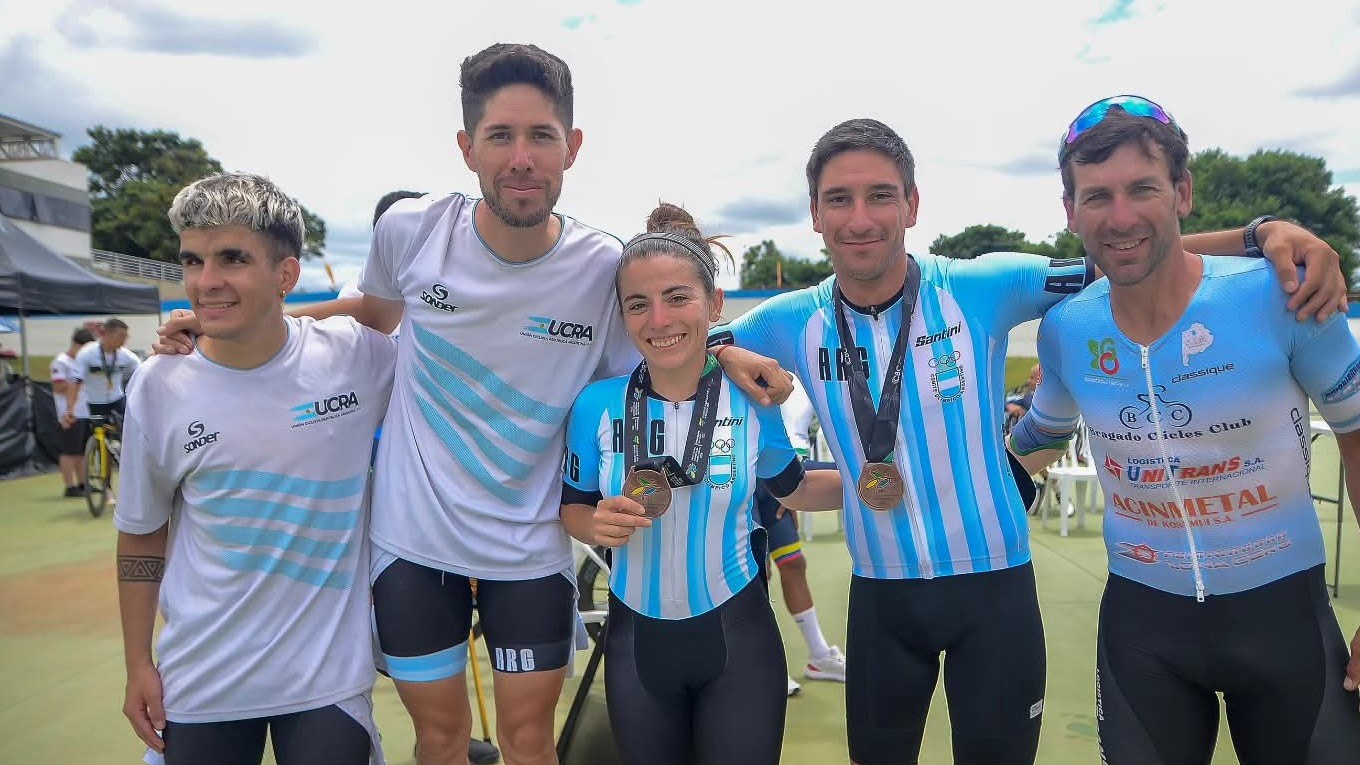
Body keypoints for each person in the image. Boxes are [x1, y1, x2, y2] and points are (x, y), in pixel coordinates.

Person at [153, 43, 788, 765]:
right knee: (442, 741)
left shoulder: (599, 266)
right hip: (414, 545)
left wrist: (725, 351)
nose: (521, 157)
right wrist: (234, 317)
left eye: (541, 136)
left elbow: (663, 344)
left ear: (572, 148)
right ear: (466, 147)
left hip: (529, 547)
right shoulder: (411, 230)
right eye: (500, 136)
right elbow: (374, 314)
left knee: (527, 743)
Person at [709, 116, 1349, 765]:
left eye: (880, 194)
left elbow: (1125, 249)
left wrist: (1262, 234)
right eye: (839, 199)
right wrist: (726, 353)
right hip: (881, 597)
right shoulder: (791, 319)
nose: (861, 218)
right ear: (814, 213)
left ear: (913, 203)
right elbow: (687, 343)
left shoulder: (980, 284)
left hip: (996, 596)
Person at [1009, 94, 1360, 765]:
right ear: (1069, 209)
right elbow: (1041, 438)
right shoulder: (1067, 327)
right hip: (1146, 632)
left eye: (1142, 188)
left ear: (1183, 192)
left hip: (1285, 619)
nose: (1120, 216)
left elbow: (1357, 431)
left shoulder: (1280, 292)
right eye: (1096, 195)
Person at [114, 173, 395, 765]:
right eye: (193, 261)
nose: (206, 281)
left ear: (287, 274)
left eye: (232, 259)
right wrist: (138, 661)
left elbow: (393, 312)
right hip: (201, 682)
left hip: (327, 681)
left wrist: (279, 315)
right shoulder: (159, 385)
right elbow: (141, 531)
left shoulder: (355, 358)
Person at [560, 203, 844, 765]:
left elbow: (794, 489)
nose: (658, 320)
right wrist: (596, 523)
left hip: (738, 643)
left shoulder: (752, 400)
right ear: (623, 315)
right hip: (636, 648)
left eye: (677, 298)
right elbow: (573, 508)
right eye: (638, 305)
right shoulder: (595, 405)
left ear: (714, 304)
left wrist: (890, 481)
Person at [752, 375, 846, 696]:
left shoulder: (810, 373)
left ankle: (819, 656)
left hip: (785, 483)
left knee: (793, 564)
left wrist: (791, 493)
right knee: (755, 576)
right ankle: (763, 667)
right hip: (749, 483)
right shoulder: (753, 366)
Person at [63, 317, 140, 429]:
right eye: (121, 336)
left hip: (117, 399)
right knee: (99, 435)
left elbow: (142, 371)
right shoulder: (87, 353)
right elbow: (75, 382)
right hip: (95, 403)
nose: (125, 340)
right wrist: (70, 409)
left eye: (126, 336)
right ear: (108, 334)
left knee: (128, 431)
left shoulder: (126, 355)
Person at [50, 326, 96, 497]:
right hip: (69, 413)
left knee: (83, 451)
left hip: (85, 411)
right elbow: (58, 386)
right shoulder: (62, 361)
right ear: (77, 345)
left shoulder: (82, 362)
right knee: (70, 451)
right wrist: (76, 383)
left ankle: (83, 483)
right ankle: (70, 486)